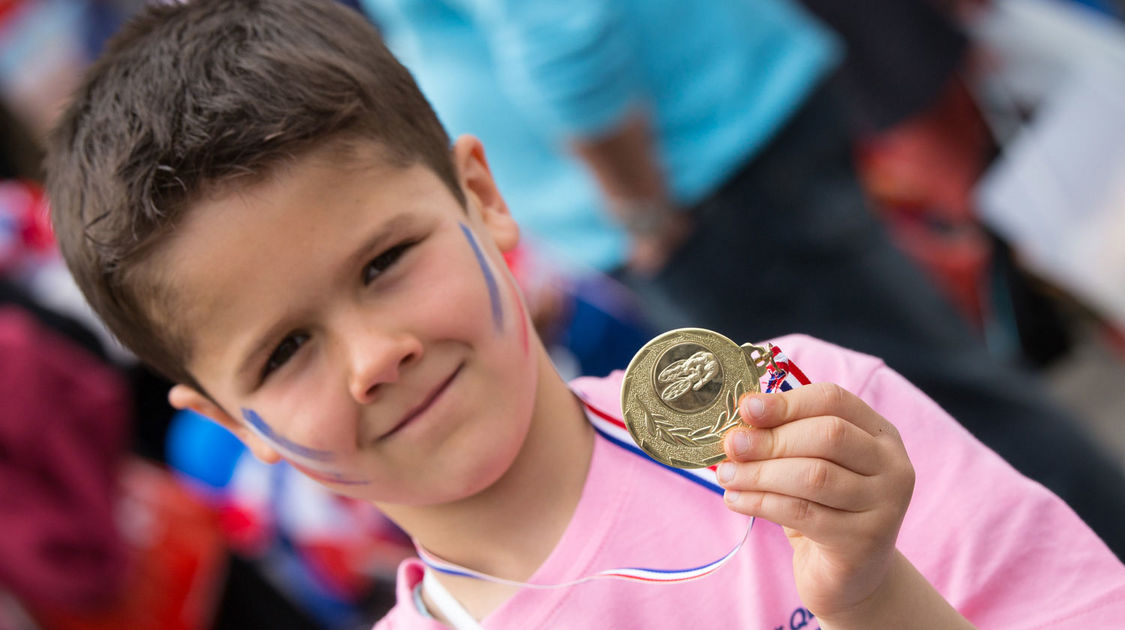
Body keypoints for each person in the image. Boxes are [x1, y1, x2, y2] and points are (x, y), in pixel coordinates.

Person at [44, 1, 1125, 628]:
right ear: (230, 425)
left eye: (384, 261)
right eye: (284, 351)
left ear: (484, 198)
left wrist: (878, 593)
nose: (378, 355)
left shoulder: (804, 414)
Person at [358, 0, 1125, 557]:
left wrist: (641, 204)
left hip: (703, 184)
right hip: (713, 158)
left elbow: (559, 24)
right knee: (922, 411)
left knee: (932, 420)